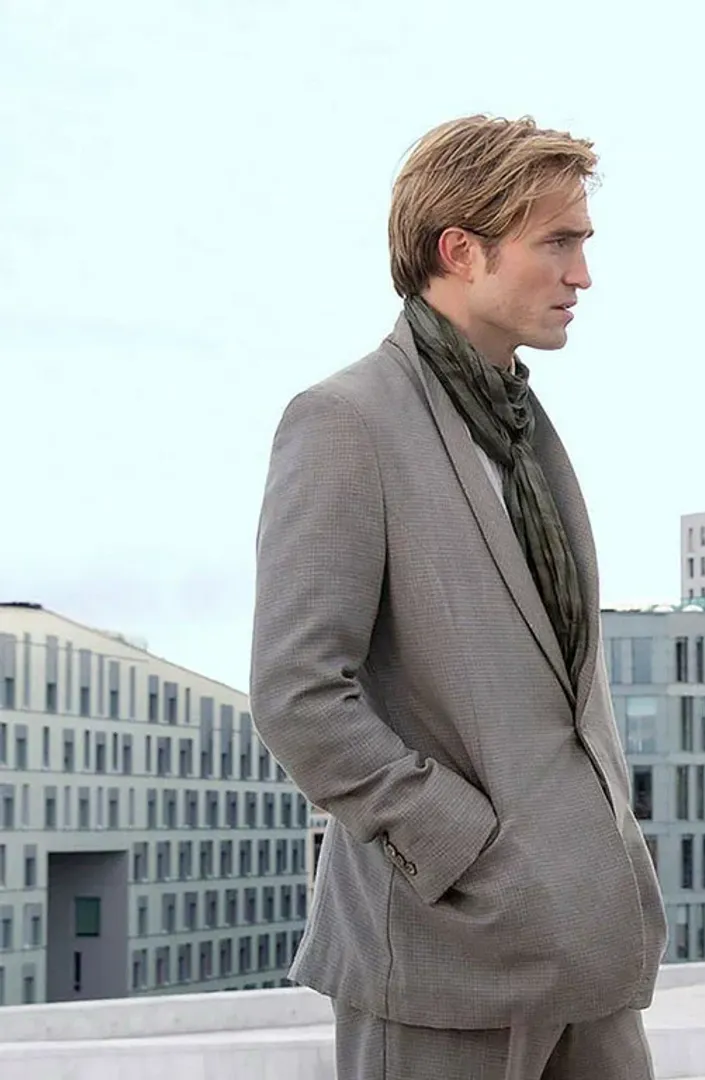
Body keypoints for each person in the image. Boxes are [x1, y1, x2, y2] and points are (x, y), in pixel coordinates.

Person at [249, 114, 668, 1080]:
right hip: (444, 961)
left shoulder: (524, 426)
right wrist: (463, 848)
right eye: (558, 243)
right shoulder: (344, 422)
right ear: (461, 250)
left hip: (588, 952)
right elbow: (299, 694)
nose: (583, 274)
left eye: (584, 244)